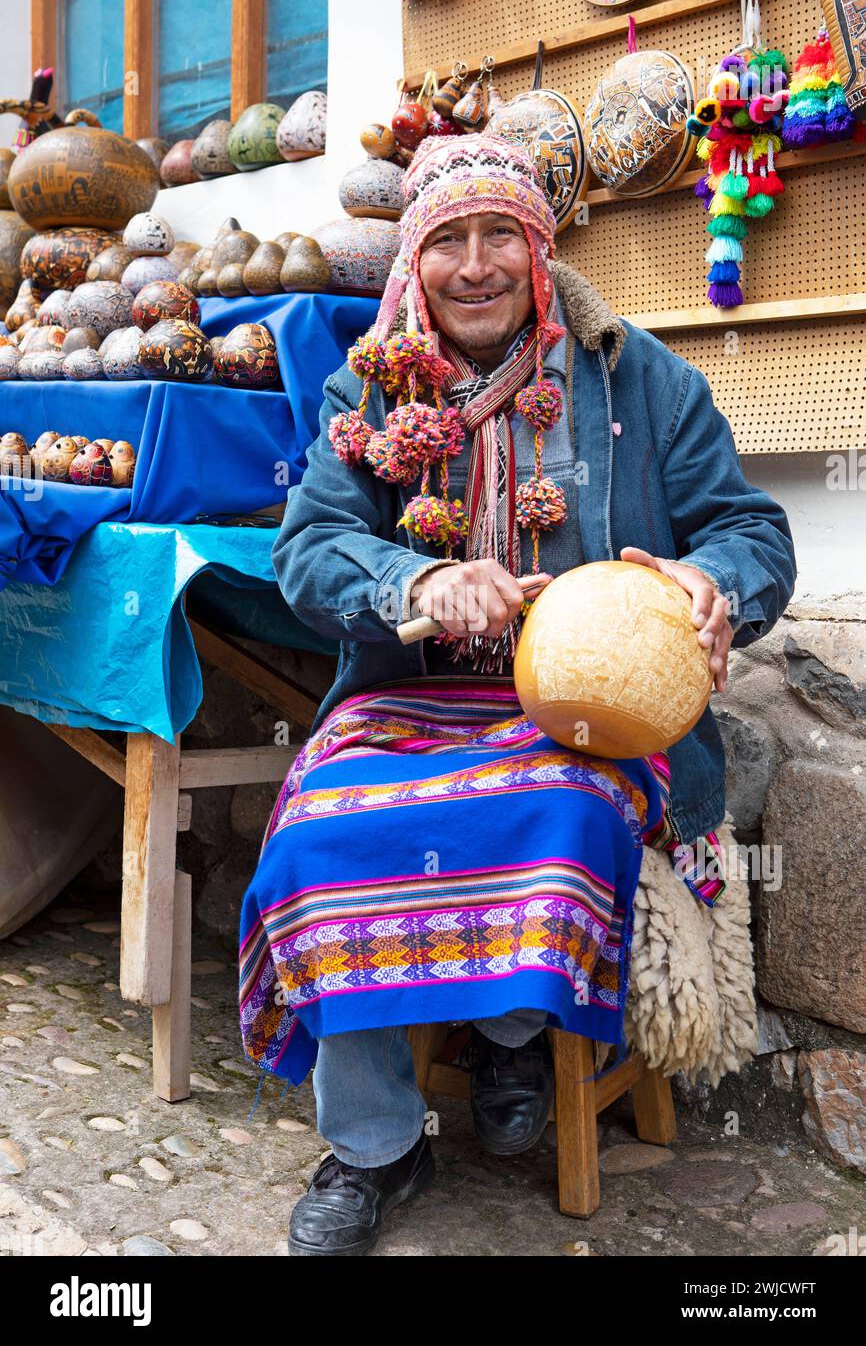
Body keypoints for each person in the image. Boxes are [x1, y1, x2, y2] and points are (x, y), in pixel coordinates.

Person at [238, 134, 796, 1256]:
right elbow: (307, 555)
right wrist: (420, 577)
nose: (476, 264)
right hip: (406, 700)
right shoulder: (368, 388)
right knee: (315, 832)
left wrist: (711, 581)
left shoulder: (635, 376)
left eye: (502, 234)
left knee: (559, 808)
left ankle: (505, 1024)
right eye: (447, 239)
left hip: (588, 709)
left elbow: (753, 532)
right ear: (414, 262)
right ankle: (374, 1145)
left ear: (540, 250)